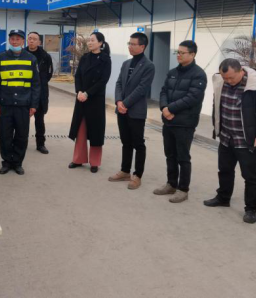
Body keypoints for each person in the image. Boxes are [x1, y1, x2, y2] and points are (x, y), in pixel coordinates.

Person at [203, 59, 256, 223]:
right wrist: (217, 127)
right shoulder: (220, 81)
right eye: (225, 78)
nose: (228, 81)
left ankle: (251, 209)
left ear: (241, 70)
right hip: (226, 136)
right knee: (224, 170)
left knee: (251, 176)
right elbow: (217, 105)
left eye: (231, 78)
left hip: (247, 140)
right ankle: (223, 197)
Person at [154, 40, 207, 203]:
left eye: (182, 53)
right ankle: (171, 184)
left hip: (185, 123)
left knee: (183, 157)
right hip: (168, 121)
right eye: (177, 52)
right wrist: (164, 107)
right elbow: (163, 91)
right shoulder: (172, 72)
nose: (179, 55)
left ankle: (183, 189)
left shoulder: (198, 75)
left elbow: (192, 98)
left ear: (192, 54)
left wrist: (170, 109)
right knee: (170, 154)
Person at [108, 32, 155, 189]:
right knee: (125, 141)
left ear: (142, 46)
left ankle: (137, 175)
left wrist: (125, 103)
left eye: (133, 44)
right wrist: (118, 101)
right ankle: (125, 171)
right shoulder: (126, 63)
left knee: (138, 143)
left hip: (136, 111)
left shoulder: (148, 66)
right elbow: (119, 83)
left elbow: (142, 88)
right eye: (129, 43)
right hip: (122, 110)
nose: (130, 46)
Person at [0, 29, 40, 175]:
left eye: (18, 39)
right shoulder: (0, 58)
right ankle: (6, 162)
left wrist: (34, 105)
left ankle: (17, 162)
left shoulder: (31, 59)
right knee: (4, 135)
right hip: (5, 104)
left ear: (23, 41)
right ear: (9, 40)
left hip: (24, 105)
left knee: (21, 135)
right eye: (12, 39)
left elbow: (36, 84)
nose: (15, 42)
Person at [68, 32, 112, 173]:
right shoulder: (85, 57)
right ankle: (78, 159)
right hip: (81, 98)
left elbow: (103, 80)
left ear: (100, 43)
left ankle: (95, 162)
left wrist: (88, 93)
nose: (90, 43)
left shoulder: (105, 59)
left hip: (95, 99)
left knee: (96, 131)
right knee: (80, 130)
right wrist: (79, 92)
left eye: (93, 40)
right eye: (89, 40)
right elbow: (78, 76)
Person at [25, 32, 54, 154]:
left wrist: (40, 83)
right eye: (30, 38)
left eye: (34, 39)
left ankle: (40, 144)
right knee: (22, 120)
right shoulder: (22, 54)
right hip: (24, 92)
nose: (31, 41)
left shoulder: (45, 56)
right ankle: (21, 143)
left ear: (39, 42)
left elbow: (49, 73)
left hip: (40, 92)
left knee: (39, 120)